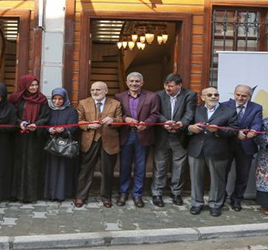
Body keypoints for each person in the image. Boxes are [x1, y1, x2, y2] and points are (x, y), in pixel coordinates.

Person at [187, 87, 239, 217]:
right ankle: (197, 203)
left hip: (218, 150)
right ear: (203, 97)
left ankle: (215, 204)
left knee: (217, 180)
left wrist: (219, 131)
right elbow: (186, 125)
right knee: (195, 178)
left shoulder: (229, 111)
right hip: (196, 149)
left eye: (216, 94)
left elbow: (234, 130)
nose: (213, 97)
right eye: (209, 95)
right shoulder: (196, 109)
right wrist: (190, 128)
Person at [114, 72, 160, 208]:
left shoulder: (152, 96)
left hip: (143, 135)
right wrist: (125, 119)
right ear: (127, 82)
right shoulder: (119, 97)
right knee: (124, 166)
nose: (134, 84)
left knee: (140, 167)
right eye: (132, 81)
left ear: (142, 83)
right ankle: (123, 193)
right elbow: (117, 114)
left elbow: (155, 114)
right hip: (126, 135)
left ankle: (137, 194)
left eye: (137, 81)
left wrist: (145, 123)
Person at [74, 81, 123, 208]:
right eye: (93, 90)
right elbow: (78, 121)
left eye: (98, 90)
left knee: (107, 171)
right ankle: (80, 197)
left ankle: (106, 197)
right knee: (86, 170)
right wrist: (89, 125)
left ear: (105, 91)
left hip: (109, 141)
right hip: (90, 140)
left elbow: (120, 121)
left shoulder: (115, 104)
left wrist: (112, 121)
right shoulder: (83, 103)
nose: (95, 92)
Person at [152, 73, 197, 207]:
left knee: (179, 165)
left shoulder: (190, 95)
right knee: (160, 165)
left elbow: (190, 113)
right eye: (166, 85)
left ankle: (176, 193)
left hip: (180, 136)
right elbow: (155, 112)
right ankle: (157, 193)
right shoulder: (158, 95)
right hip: (162, 135)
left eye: (171, 86)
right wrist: (165, 122)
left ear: (179, 85)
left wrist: (181, 124)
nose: (167, 88)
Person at [8, 75, 51, 203]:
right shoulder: (16, 99)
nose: (34, 87)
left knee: (32, 164)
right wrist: (19, 122)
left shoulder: (42, 99)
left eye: (36, 85)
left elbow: (46, 117)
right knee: (17, 164)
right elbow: (10, 115)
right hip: (18, 137)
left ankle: (30, 195)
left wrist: (36, 125)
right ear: (25, 85)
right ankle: (15, 194)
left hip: (34, 138)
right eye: (31, 85)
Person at [221, 84, 263, 212]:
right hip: (226, 144)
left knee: (243, 175)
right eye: (237, 95)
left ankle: (237, 199)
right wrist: (235, 132)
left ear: (249, 96)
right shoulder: (224, 105)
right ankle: (220, 198)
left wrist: (254, 131)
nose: (240, 98)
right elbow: (221, 123)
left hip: (246, 145)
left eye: (244, 96)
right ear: (234, 94)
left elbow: (257, 123)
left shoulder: (256, 107)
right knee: (222, 174)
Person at [43, 87, 79, 201]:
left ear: (65, 99)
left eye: (60, 99)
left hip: (64, 147)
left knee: (63, 170)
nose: (57, 102)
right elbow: (43, 125)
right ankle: (50, 193)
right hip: (51, 146)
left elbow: (73, 127)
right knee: (51, 170)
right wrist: (49, 130)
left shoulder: (71, 111)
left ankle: (62, 194)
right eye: (55, 99)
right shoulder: (48, 110)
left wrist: (63, 130)